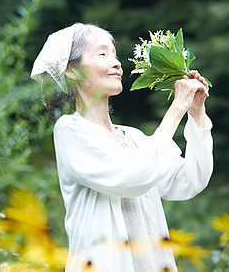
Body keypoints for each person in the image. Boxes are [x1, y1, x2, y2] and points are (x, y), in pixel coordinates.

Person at [31, 23, 213, 272]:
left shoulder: (135, 138)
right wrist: (177, 107)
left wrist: (196, 112)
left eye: (115, 55)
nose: (116, 63)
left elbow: (189, 180)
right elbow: (134, 176)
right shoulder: (70, 131)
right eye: (102, 54)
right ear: (71, 71)